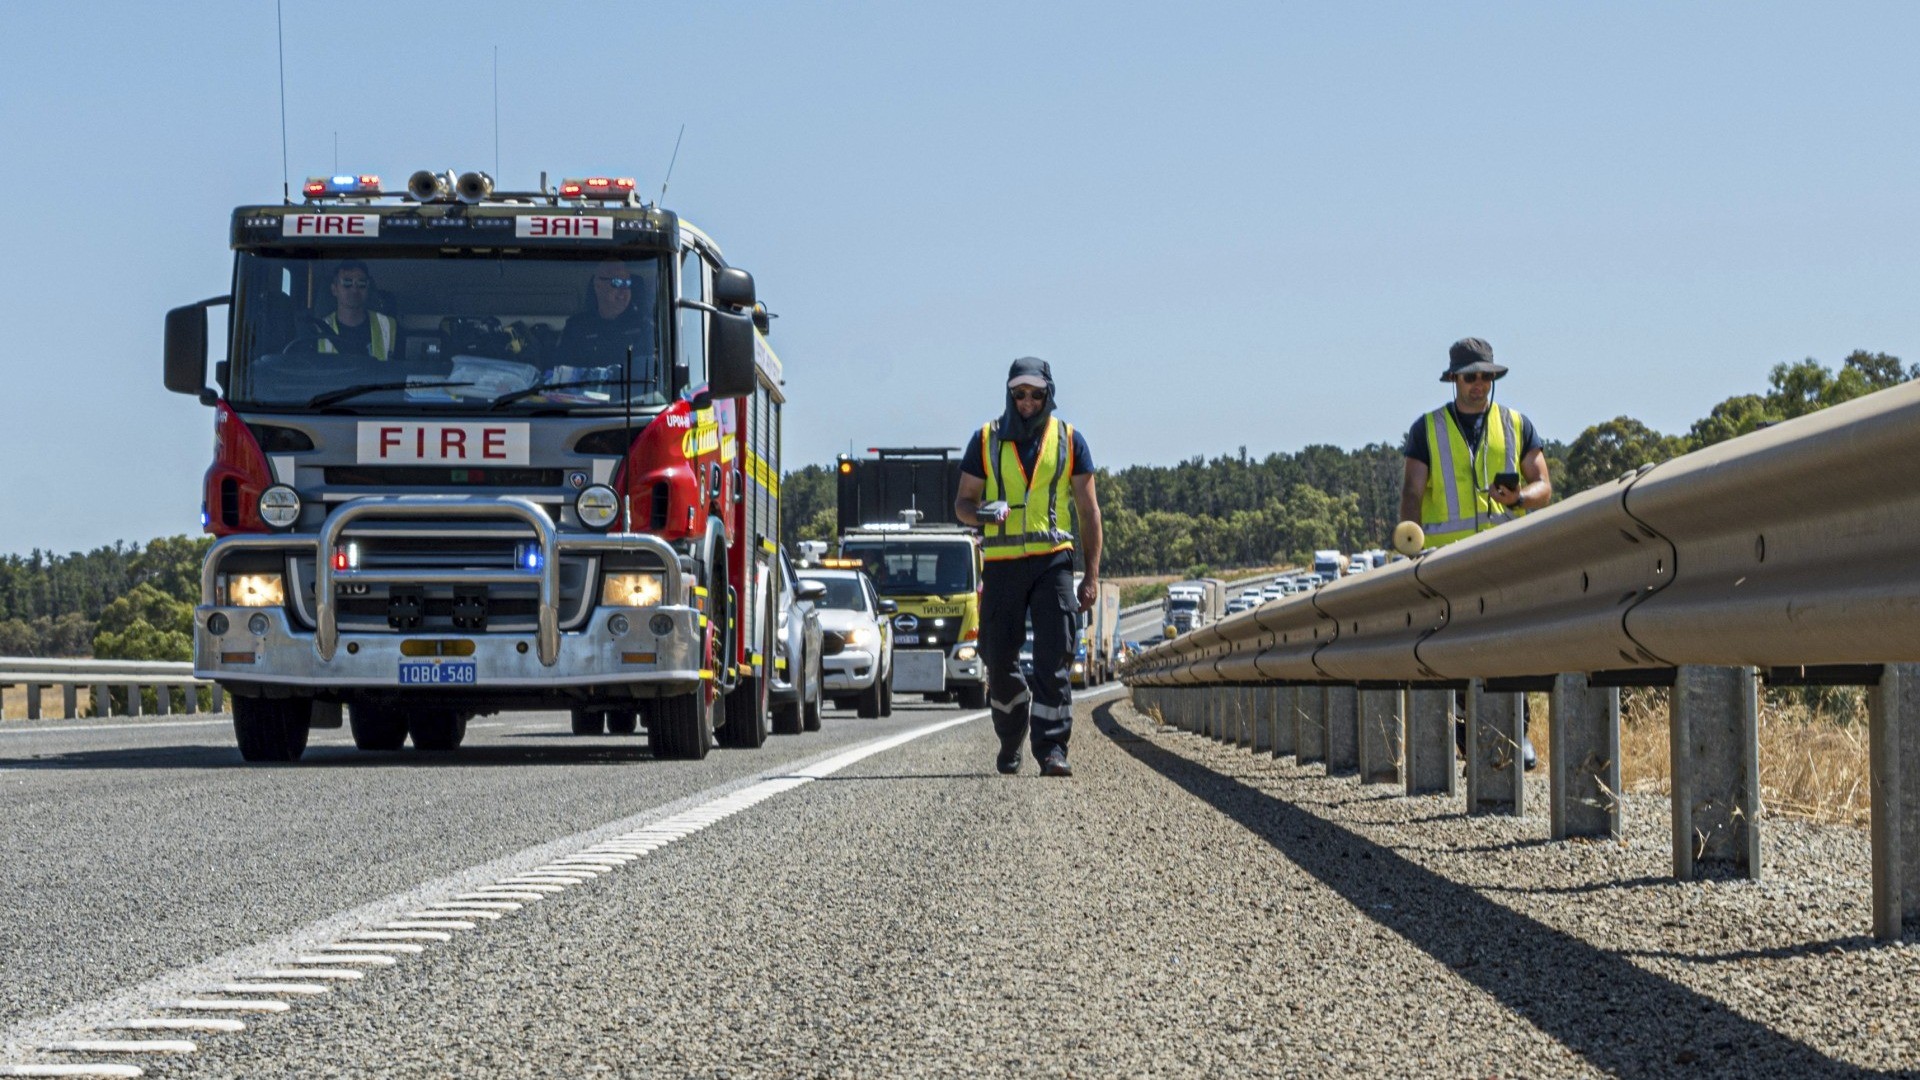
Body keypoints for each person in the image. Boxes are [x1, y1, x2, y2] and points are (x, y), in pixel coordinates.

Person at [1399, 337, 1552, 768]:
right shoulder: (1426, 429)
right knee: (1462, 650)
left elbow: (1543, 486)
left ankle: (1515, 734)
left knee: (1510, 648)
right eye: (1470, 377)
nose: (1479, 384)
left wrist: (1519, 497)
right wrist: (1411, 542)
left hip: (1504, 559)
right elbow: (1412, 491)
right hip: (1449, 564)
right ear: (1454, 380)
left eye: (1486, 376)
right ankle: (1471, 735)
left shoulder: (1517, 424)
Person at [954, 357, 1102, 778]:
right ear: (1009, 393)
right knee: (998, 659)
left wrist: (1090, 577)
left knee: (1055, 651)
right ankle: (1011, 729)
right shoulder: (984, 440)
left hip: (1053, 561)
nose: (1027, 401)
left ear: (1048, 394)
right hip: (1001, 565)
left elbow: (1090, 514)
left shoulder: (1070, 441)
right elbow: (962, 504)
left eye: (1036, 393)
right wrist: (982, 513)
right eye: (1019, 393)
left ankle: (1052, 746)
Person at [555, 259, 656, 368]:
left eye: (627, 283)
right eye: (617, 282)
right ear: (598, 286)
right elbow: (561, 371)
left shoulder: (644, 328)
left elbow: (653, 371)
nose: (623, 290)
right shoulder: (576, 327)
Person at [316, 261, 397, 360]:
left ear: (368, 288)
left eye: (361, 283)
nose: (354, 289)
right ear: (334, 289)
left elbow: (403, 371)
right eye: (347, 283)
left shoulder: (389, 326)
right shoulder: (317, 331)